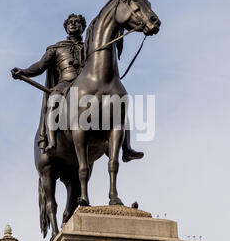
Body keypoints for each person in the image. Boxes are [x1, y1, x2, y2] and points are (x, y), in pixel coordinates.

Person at [11, 13, 143, 161]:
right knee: (54, 100)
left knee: (118, 105)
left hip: (88, 84)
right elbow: (40, 66)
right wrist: (24, 72)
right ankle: (53, 141)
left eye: (77, 22)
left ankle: (126, 148)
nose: (73, 24)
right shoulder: (57, 48)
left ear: (83, 27)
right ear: (66, 27)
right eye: (70, 22)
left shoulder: (91, 48)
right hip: (64, 85)